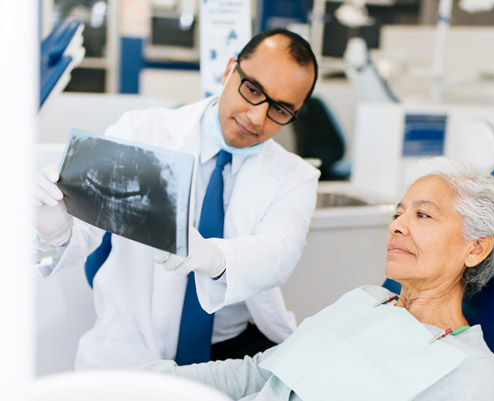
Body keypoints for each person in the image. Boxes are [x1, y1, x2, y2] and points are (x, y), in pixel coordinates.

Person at [33, 29, 320, 369]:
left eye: (281, 109)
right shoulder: (141, 132)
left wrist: (215, 257)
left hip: (229, 349)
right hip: (130, 347)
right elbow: (72, 243)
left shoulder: (295, 175)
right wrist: (52, 232)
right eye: (253, 90)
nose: (257, 117)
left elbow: (280, 252)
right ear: (230, 69)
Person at [142, 157, 494, 401]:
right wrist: (153, 382)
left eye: (423, 216)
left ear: (476, 248)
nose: (398, 226)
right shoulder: (365, 300)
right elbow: (257, 374)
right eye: (399, 213)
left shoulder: (476, 373)